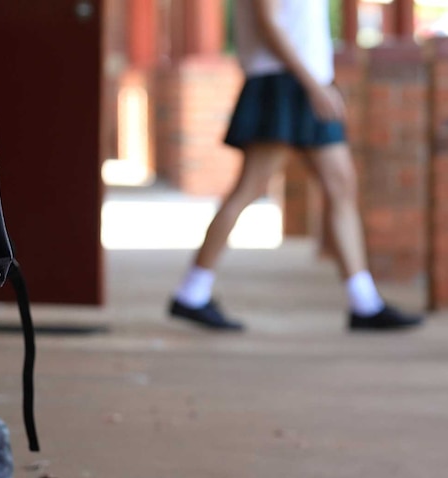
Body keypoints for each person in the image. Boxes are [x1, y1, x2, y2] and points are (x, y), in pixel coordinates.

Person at [169, 0, 423, 332]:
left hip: (304, 82)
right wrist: (313, 85)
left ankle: (364, 302)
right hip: (284, 84)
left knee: (341, 185)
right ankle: (192, 290)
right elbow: (268, 23)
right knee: (249, 188)